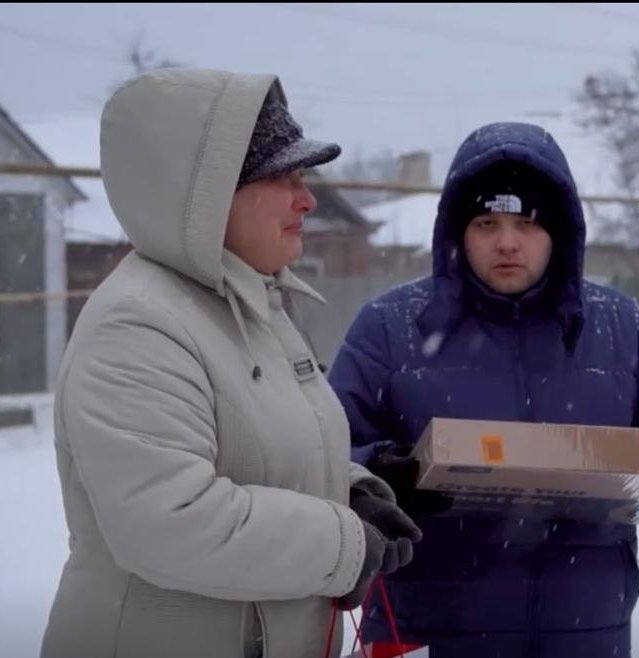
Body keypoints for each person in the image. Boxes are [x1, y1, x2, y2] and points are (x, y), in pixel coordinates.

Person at [40, 68, 421, 658]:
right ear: (206, 190)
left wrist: (351, 495)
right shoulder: (138, 326)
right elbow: (171, 520)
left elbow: (258, 454)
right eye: (285, 176)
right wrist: (343, 543)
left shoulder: (252, 305)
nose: (309, 198)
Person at [328, 121, 639, 656]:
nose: (507, 242)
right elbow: (321, 458)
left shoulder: (624, 330)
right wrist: (381, 477)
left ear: (559, 232)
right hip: (431, 634)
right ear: (458, 231)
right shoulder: (389, 329)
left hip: (585, 635)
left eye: (527, 223)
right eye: (487, 222)